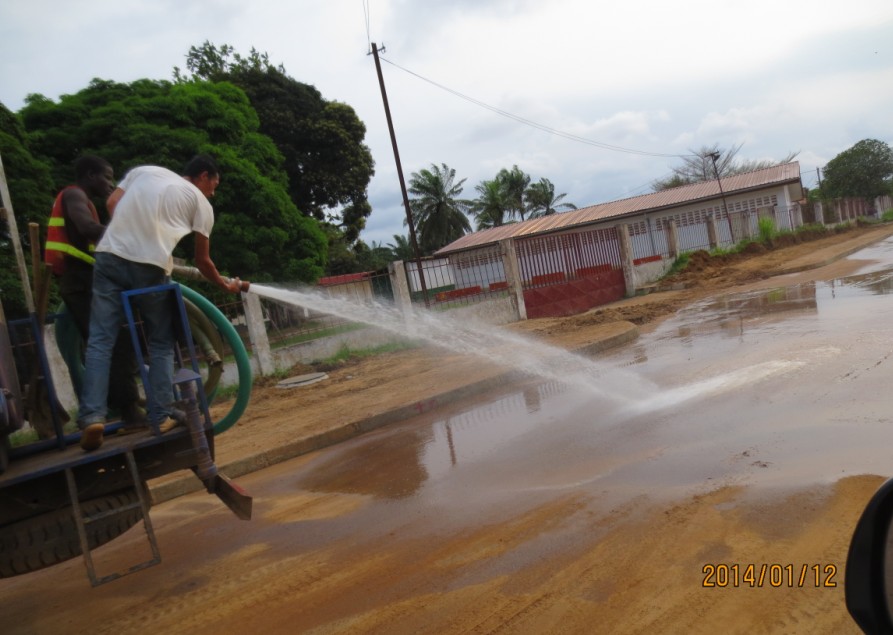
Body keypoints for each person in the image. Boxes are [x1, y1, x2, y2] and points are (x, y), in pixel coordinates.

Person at [77, 154, 248, 451]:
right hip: (149, 265)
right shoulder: (201, 204)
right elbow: (203, 261)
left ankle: (93, 416)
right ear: (204, 176)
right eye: (214, 185)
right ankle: (160, 413)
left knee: (101, 339)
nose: (213, 192)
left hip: (108, 255)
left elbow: (112, 205)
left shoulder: (144, 171)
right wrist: (223, 283)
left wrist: (132, 230)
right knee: (160, 342)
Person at [45, 156, 144, 435]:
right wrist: (131, 238)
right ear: (90, 175)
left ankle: (114, 411)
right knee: (115, 343)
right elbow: (87, 229)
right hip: (83, 282)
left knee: (105, 344)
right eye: (107, 177)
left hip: (82, 281)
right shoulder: (75, 195)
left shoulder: (78, 198)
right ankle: (128, 412)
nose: (110, 184)